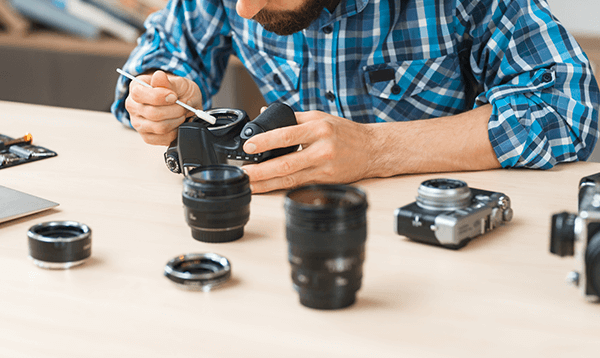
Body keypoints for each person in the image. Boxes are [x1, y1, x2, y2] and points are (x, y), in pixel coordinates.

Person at [112, 0, 599, 193]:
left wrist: (376, 149)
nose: (245, 7)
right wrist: (159, 96)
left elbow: (567, 106)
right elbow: (158, 60)